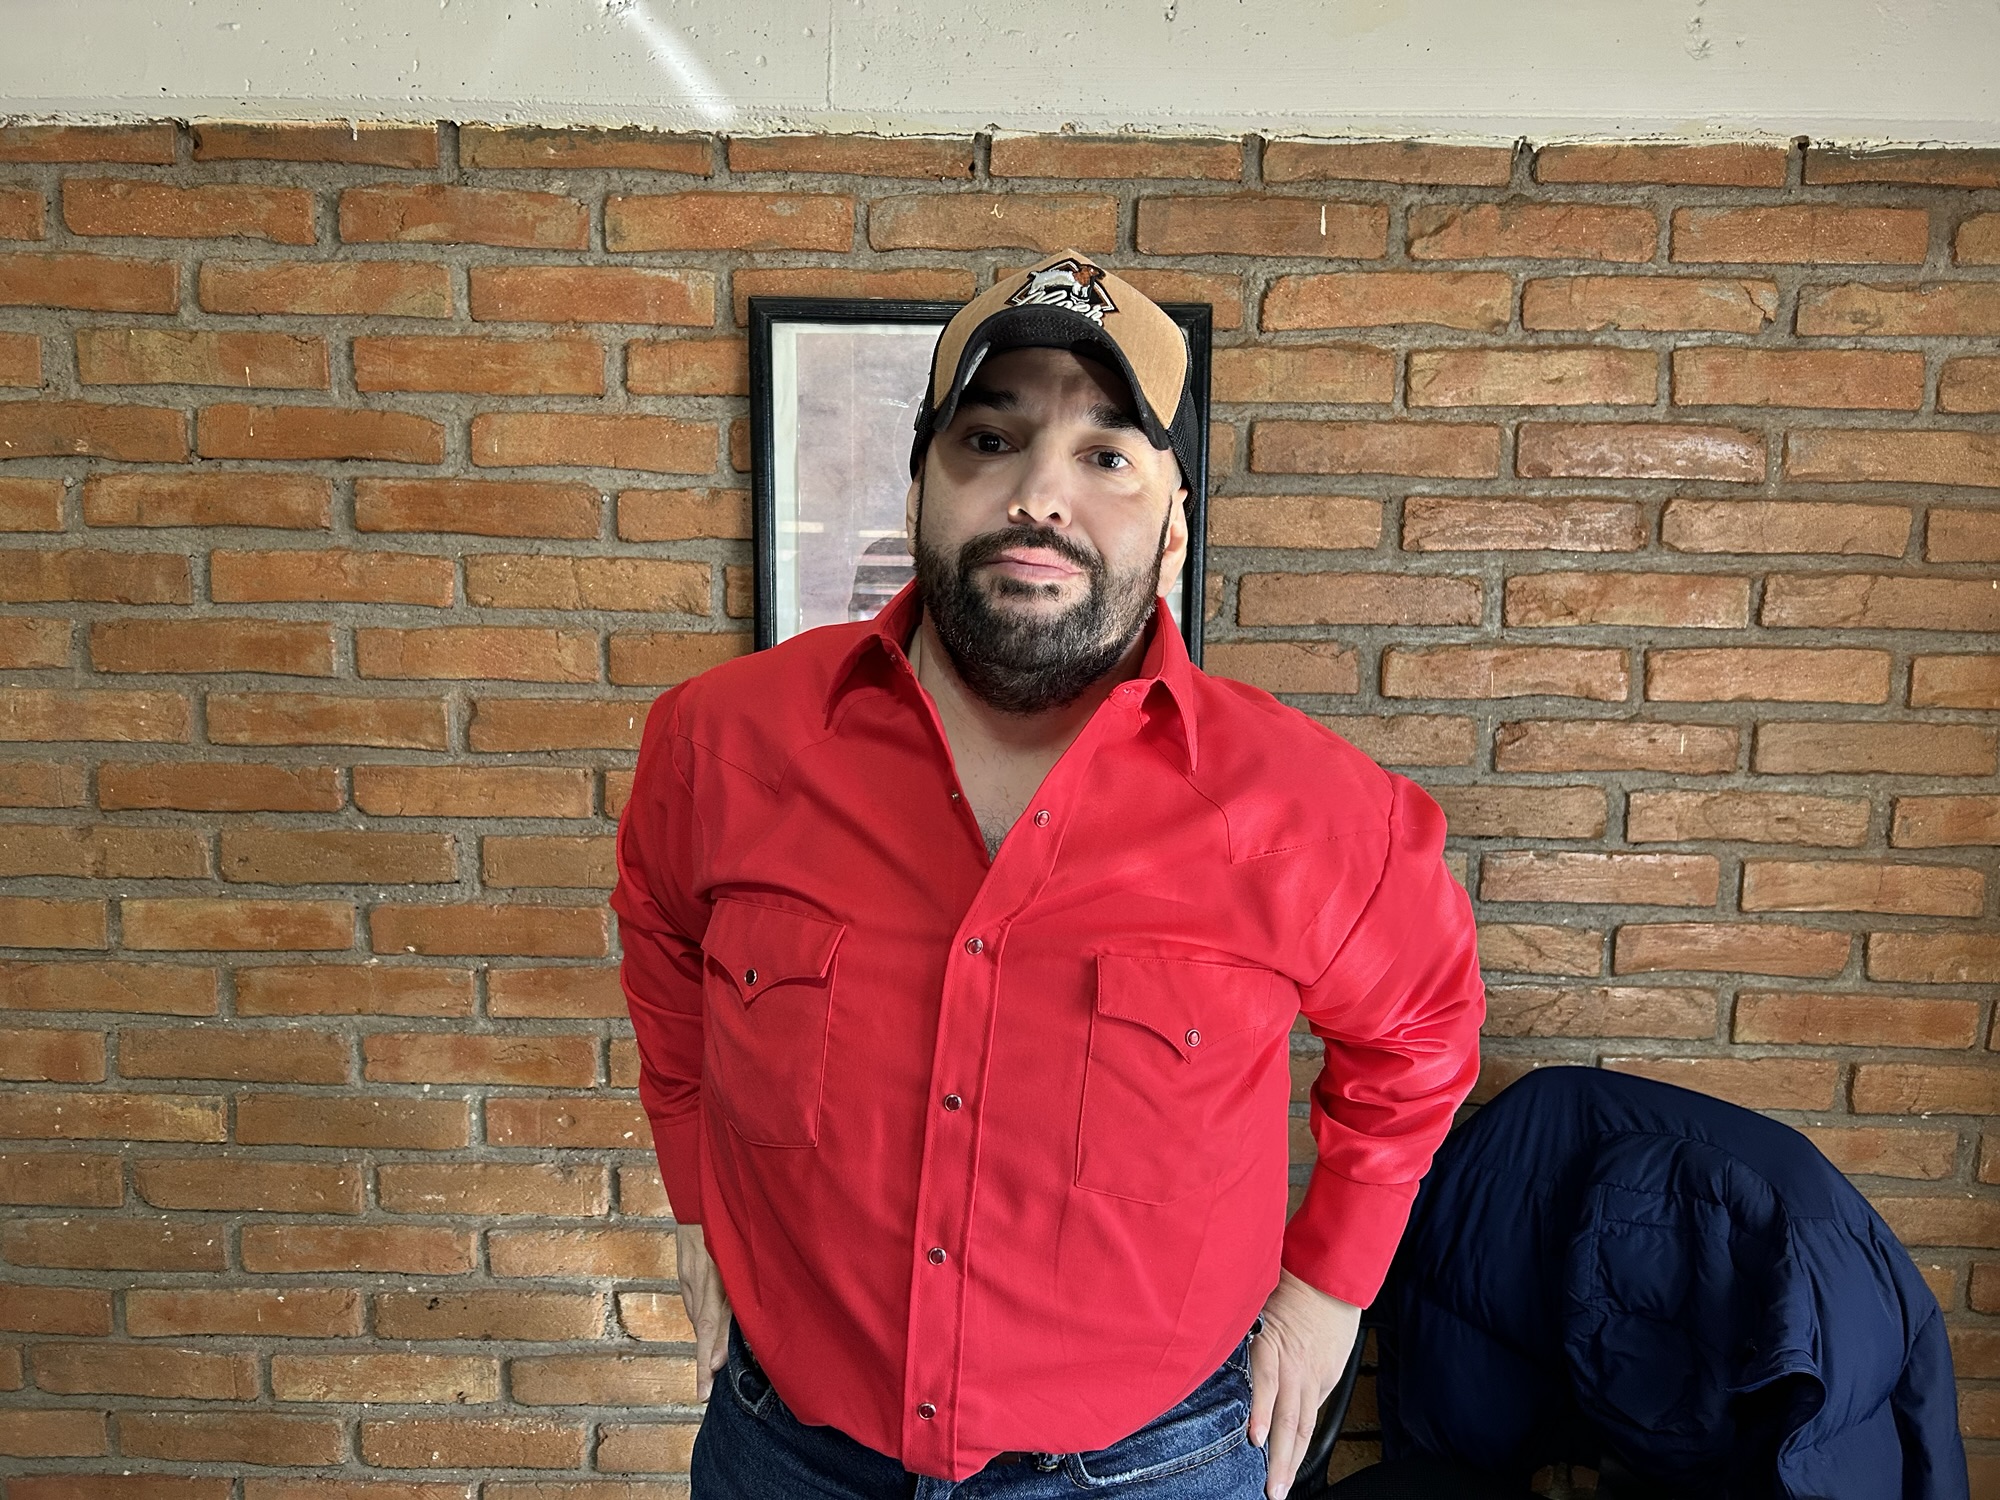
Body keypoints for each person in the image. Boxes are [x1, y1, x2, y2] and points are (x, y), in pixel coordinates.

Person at [612, 250, 1485, 1500]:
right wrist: (697, 1195)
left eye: (1105, 456)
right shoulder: (722, 743)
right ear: (918, 483)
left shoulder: (1315, 809)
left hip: (1147, 1463)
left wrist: (1329, 1288)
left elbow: (1417, 1039)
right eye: (988, 439)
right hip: (787, 1443)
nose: (1037, 496)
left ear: (1174, 524)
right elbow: (661, 947)